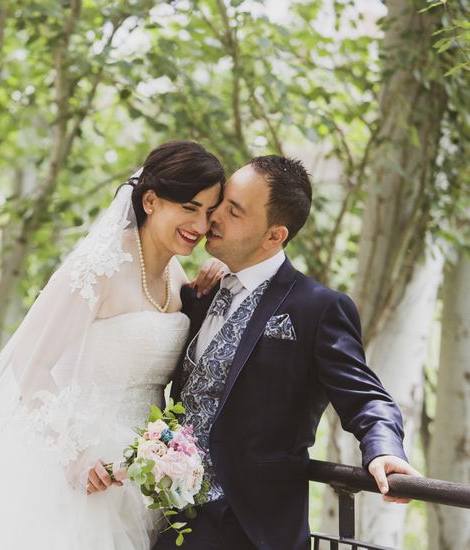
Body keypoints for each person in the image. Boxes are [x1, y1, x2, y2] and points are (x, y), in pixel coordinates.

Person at [0, 141, 227, 549]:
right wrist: (74, 456)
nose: (200, 224)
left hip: (137, 471)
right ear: (151, 201)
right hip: (75, 462)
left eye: (210, 213)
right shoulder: (97, 267)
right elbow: (31, 362)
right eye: (190, 208)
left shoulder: (180, 278)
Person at [138, 155, 418, 550]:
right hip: (171, 520)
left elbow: (367, 398)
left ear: (274, 236)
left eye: (233, 211)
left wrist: (384, 450)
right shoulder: (199, 293)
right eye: (222, 202)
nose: (213, 216)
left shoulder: (317, 308)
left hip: (252, 529)